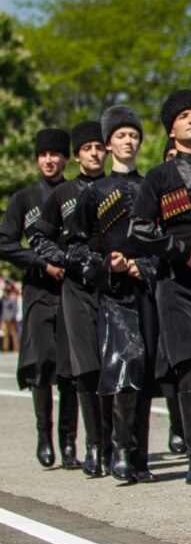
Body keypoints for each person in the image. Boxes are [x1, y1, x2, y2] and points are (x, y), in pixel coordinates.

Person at [129, 90, 191, 492]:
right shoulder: (158, 177)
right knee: (190, 364)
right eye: (184, 116)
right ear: (171, 128)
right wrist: (182, 251)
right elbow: (139, 230)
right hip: (176, 283)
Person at [64, 107, 161, 483]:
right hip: (114, 294)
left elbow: (163, 242)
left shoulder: (152, 185)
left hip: (146, 292)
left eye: (133, 135)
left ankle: (139, 457)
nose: (128, 141)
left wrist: (144, 266)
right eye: (121, 136)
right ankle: (118, 450)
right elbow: (74, 247)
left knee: (146, 367)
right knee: (127, 363)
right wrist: (109, 264)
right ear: (108, 144)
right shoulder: (95, 193)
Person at [30, 122, 109, 476]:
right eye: (87, 147)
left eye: (98, 146)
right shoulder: (61, 196)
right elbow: (38, 238)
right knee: (86, 368)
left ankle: (117, 444)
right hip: (76, 290)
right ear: (76, 155)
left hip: (113, 287)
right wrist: (64, 259)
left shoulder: (117, 188)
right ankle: (93, 446)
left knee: (116, 365)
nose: (94, 152)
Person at [0, 128, 75, 469]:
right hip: (37, 293)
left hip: (74, 291)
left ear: (65, 158)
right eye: (43, 154)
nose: (49, 160)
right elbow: (5, 242)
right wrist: (39, 262)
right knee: (41, 367)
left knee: (72, 368)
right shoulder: (24, 199)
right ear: (37, 159)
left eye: (55, 154)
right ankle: (44, 437)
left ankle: (70, 443)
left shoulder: (76, 193)